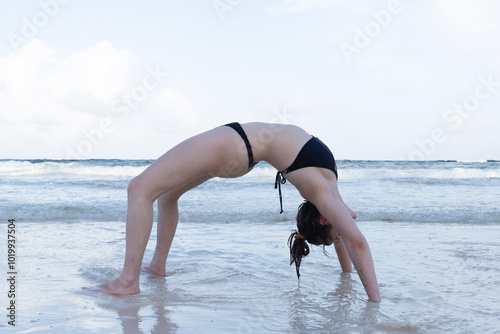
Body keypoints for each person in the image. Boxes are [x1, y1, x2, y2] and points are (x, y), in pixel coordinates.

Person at [83, 122, 380, 302]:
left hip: (237, 144)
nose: (346, 223)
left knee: (139, 189)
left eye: (336, 230)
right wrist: (346, 276)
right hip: (241, 150)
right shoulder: (330, 195)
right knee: (167, 195)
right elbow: (343, 237)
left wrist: (375, 303)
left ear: (324, 217)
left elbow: (357, 243)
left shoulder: (322, 192)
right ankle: (156, 267)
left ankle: (127, 282)